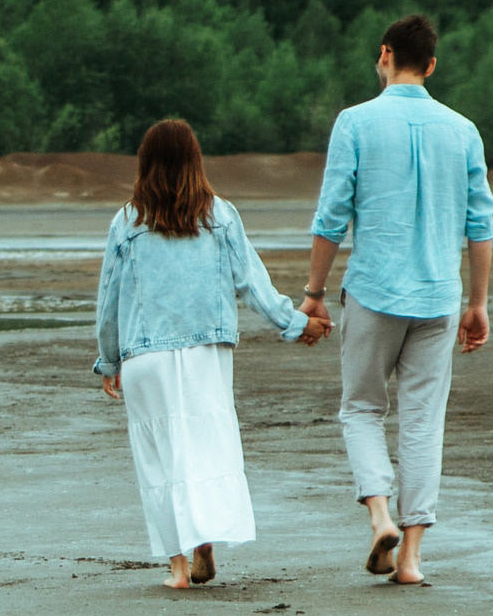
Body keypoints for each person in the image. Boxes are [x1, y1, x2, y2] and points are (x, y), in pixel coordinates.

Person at [299, 13, 493, 587]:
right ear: (431, 65)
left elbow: (331, 217)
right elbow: (480, 225)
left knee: (362, 408)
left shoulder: (355, 122)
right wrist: (478, 302)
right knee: (422, 422)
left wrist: (314, 293)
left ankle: (380, 514)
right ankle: (410, 558)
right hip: (439, 296)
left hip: (375, 292)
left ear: (384, 55)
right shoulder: (462, 130)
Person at [96, 118, 329, 590]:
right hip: (205, 351)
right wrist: (296, 323)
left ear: (145, 164)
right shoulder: (220, 215)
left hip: (145, 356)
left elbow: (109, 302)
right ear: (196, 161)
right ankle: (205, 540)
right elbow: (254, 285)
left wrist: (109, 361)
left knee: (161, 456)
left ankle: (179, 567)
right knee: (204, 449)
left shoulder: (127, 221)